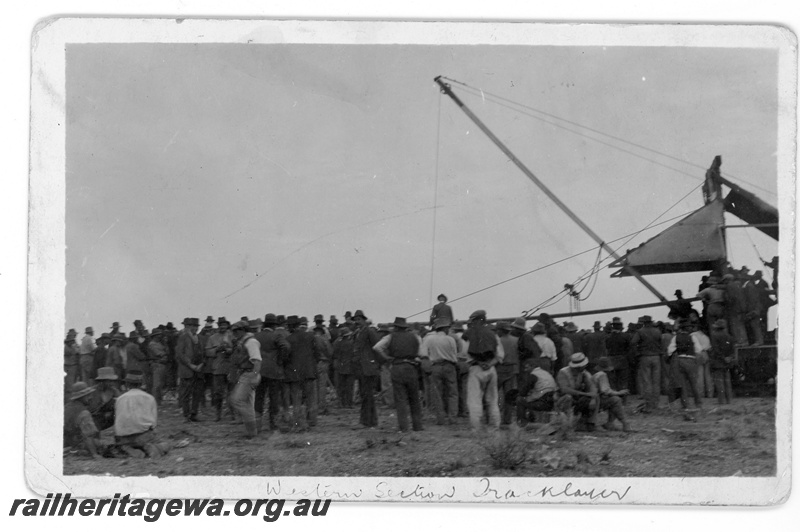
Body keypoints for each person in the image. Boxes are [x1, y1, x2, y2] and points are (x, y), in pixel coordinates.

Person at [374, 317, 424, 432]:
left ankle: (404, 427)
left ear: (396, 327)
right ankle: (418, 426)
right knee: (414, 398)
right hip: (411, 367)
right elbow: (420, 353)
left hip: (397, 367)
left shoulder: (390, 337)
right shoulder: (415, 337)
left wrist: (387, 357)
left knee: (400, 399)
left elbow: (377, 347)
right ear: (405, 327)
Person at [461, 310, 504, 432]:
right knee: (493, 399)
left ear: (476, 320)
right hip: (491, 369)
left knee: (474, 399)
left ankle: (476, 427)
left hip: (476, 368)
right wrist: (489, 364)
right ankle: (495, 426)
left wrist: (479, 363)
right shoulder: (493, 334)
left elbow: (465, 354)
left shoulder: (468, 334)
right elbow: (500, 355)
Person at [114, 372, 169, 457]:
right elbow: (153, 423)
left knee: (123, 445)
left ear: (127, 384)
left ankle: (128, 449)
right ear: (141, 384)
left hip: (123, 438)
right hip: (143, 436)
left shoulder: (120, 399)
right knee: (166, 444)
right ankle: (149, 447)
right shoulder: (149, 397)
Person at [254, 313, 291, 433]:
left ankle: (257, 425)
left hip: (259, 370)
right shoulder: (276, 335)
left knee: (259, 397)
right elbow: (285, 347)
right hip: (274, 371)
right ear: (274, 325)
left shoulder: (256, 336)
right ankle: (273, 424)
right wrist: (280, 360)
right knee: (274, 397)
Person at [418, 317, 459, 425]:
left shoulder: (429, 339)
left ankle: (440, 418)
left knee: (437, 393)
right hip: (449, 366)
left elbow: (423, 354)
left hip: (435, 366)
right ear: (445, 328)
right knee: (452, 393)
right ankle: (452, 418)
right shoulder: (450, 339)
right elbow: (454, 355)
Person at [284, 316, 321, 432]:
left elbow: (286, 357)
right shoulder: (310, 336)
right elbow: (317, 353)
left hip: (294, 373)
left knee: (296, 398)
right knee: (311, 397)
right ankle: (312, 421)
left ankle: (297, 421)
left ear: (290, 326)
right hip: (309, 371)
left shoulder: (289, 339)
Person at [228, 320, 263, 438]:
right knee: (247, 403)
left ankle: (256, 420)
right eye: (234, 331)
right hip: (246, 373)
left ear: (243, 330)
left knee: (236, 400)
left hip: (249, 374)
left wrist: (253, 375)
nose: (234, 333)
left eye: (236, 331)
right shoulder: (244, 341)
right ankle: (252, 432)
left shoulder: (251, 342)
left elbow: (257, 360)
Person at [667, 320, 704, 417]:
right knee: (693, 383)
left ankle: (685, 405)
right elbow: (699, 350)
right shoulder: (693, 337)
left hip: (679, 360)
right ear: (688, 329)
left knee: (682, 385)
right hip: (690, 360)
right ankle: (698, 403)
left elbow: (670, 351)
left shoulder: (676, 337)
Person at [352, 310, 381, 428]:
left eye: (359, 320)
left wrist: (374, 362)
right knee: (366, 394)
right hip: (361, 368)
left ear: (364, 320)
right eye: (356, 320)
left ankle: (367, 422)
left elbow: (378, 346)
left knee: (367, 395)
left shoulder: (369, 331)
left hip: (368, 367)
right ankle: (370, 421)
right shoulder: (358, 332)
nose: (357, 322)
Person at [555, 352, 598, 431]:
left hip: (576, 399)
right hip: (562, 399)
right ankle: (567, 423)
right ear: (579, 366)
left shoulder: (584, 373)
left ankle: (589, 423)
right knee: (568, 397)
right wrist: (584, 393)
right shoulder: (563, 372)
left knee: (593, 399)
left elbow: (592, 386)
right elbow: (565, 389)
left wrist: (592, 397)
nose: (585, 365)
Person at [203, 317, 234, 421]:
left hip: (230, 367)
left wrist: (228, 349)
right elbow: (207, 352)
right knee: (217, 392)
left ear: (227, 326)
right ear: (218, 326)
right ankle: (218, 414)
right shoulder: (212, 338)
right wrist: (216, 349)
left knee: (232, 391)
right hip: (217, 368)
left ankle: (232, 413)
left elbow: (236, 350)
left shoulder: (232, 336)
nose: (222, 327)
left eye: (224, 325)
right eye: (221, 325)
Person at [175, 317, 205, 423]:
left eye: (196, 326)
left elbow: (203, 353)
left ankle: (194, 414)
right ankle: (186, 415)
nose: (194, 328)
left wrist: (201, 364)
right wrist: (190, 365)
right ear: (187, 327)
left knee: (197, 393)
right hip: (187, 370)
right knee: (186, 393)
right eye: (192, 326)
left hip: (198, 370)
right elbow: (180, 354)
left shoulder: (200, 338)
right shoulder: (183, 338)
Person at [630, 315, 661, 413]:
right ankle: (656, 403)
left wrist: (637, 352)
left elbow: (633, 342)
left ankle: (649, 404)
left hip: (645, 356)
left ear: (644, 322)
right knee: (656, 381)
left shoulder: (640, 331)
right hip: (656, 356)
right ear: (651, 322)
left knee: (647, 381)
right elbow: (661, 342)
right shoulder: (657, 331)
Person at [591, 357, 632, 432]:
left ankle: (610, 423)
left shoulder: (597, 374)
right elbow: (605, 391)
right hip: (595, 400)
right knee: (616, 400)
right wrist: (619, 393)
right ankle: (624, 423)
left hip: (595, 398)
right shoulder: (602, 375)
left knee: (613, 399)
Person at [514, 357, 557, 426]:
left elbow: (524, 391)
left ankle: (521, 423)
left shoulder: (534, 375)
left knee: (520, 400)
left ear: (532, 366)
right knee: (529, 399)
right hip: (552, 401)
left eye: (527, 367)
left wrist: (519, 394)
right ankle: (532, 419)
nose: (525, 370)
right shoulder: (545, 373)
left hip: (542, 403)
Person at [64, 381, 102, 459]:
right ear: (81, 397)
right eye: (88, 396)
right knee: (98, 443)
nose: (90, 398)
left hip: (63, 442)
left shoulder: (66, 407)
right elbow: (88, 435)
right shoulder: (84, 412)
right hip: (74, 444)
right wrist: (94, 454)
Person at [495, 321, 520, 426]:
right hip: (512, 369)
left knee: (494, 395)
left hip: (499, 368)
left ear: (500, 330)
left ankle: (493, 418)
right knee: (508, 396)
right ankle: (507, 419)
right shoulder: (516, 340)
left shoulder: (497, 341)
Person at [708, 319, 735, 404]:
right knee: (727, 383)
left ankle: (721, 401)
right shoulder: (729, 336)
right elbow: (732, 350)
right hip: (727, 363)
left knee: (719, 384)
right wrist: (729, 358)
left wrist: (723, 358)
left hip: (718, 362)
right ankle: (729, 400)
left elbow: (716, 350)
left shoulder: (714, 335)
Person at [87, 366, 121, 431]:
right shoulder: (93, 392)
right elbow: (91, 409)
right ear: (102, 381)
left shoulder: (114, 391)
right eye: (109, 381)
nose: (112, 383)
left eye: (112, 381)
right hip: (95, 419)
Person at [332, 327, 356, 408]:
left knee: (340, 386)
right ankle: (349, 403)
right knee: (349, 386)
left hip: (340, 366)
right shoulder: (352, 343)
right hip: (350, 367)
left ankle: (341, 403)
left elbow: (334, 354)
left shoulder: (337, 343)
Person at [146, 328, 170, 405]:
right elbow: (160, 353)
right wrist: (164, 354)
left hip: (162, 364)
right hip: (157, 364)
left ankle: (158, 401)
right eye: (158, 335)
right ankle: (155, 401)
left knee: (160, 384)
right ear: (155, 336)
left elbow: (167, 352)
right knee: (157, 384)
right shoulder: (152, 344)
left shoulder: (160, 343)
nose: (160, 336)